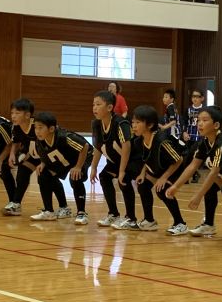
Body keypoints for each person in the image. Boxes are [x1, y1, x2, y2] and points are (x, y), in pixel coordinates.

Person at [166, 106, 222, 239]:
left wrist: (198, 196)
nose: (200, 124)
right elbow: (192, 166)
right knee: (210, 189)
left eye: (204, 120)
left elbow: (214, 172)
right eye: (198, 120)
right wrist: (175, 186)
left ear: (216, 125)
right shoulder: (204, 142)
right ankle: (209, 224)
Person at [7, 98, 71, 218]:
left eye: (17, 113)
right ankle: (16, 204)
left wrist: (44, 161)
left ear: (27, 115)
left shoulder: (37, 125)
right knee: (22, 173)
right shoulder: (16, 127)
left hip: (48, 155)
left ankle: (64, 207)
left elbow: (51, 138)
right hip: (35, 156)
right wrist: (12, 154)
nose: (13, 116)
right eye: (12, 113)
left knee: (50, 178)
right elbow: (15, 141)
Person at [132, 105, 188, 235]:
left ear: (150, 125)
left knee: (163, 190)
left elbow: (178, 160)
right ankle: (149, 220)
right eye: (133, 122)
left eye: (138, 123)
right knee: (143, 185)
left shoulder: (162, 141)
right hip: (161, 168)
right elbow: (146, 158)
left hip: (177, 167)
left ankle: (180, 223)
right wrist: (142, 173)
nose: (134, 126)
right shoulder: (138, 141)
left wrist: (164, 178)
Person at [32, 111, 92, 225]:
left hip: (83, 156)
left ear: (51, 129)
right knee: (43, 173)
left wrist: (78, 167)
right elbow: (44, 154)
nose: (37, 131)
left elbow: (85, 146)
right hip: (66, 158)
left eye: (40, 128)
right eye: (35, 128)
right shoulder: (39, 141)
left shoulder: (64, 137)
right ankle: (50, 211)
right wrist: (43, 163)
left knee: (75, 177)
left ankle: (81, 213)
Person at [90, 90, 139, 229]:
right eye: (93, 104)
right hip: (115, 161)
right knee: (104, 177)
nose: (94, 108)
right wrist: (93, 167)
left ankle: (131, 219)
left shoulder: (120, 123)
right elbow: (98, 147)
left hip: (132, 160)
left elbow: (127, 146)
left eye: (98, 104)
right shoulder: (96, 124)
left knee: (124, 180)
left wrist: (122, 171)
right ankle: (113, 214)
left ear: (110, 107)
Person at [182, 89, 206, 183]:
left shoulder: (205, 110)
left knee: (195, 157)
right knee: (188, 156)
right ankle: (191, 175)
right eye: (193, 96)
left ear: (202, 98)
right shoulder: (188, 109)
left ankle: (194, 174)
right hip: (189, 136)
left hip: (200, 137)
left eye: (197, 96)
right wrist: (184, 132)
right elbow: (184, 122)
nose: (195, 98)